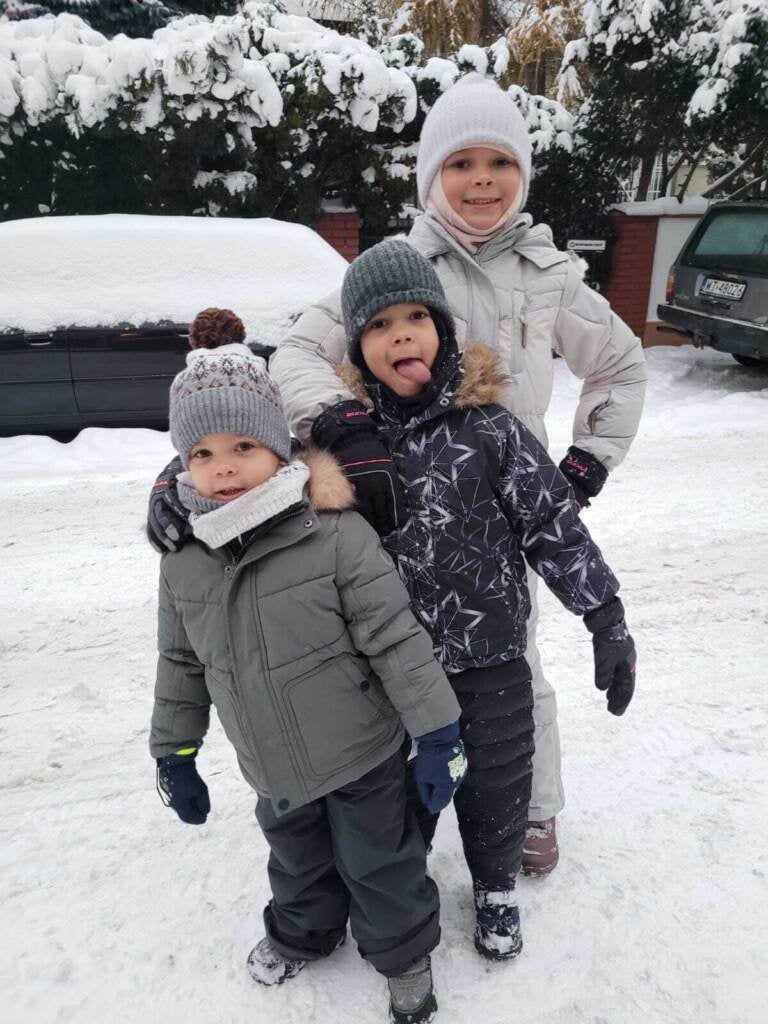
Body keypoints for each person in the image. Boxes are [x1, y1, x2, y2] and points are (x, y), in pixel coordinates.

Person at [265, 74, 649, 875]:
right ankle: (392, 803)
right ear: (431, 176)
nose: (482, 180)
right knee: (388, 657)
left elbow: (621, 365)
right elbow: (296, 356)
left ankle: (530, 809)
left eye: (500, 163)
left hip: (502, 506)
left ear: (523, 175)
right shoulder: (393, 267)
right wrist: (340, 425)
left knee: (515, 668)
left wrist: (584, 463)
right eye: (462, 163)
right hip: (397, 506)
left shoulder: (552, 277)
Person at [307, 238, 635, 961]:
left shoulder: (491, 428)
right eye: (378, 324)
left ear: (442, 331)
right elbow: (255, 484)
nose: (400, 333)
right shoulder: (346, 448)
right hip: (391, 671)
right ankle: (404, 895)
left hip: (490, 656)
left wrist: (604, 616)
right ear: (359, 352)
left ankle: (493, 888)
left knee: (496, 788)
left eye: (415, 316)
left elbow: (552, 523)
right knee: (399, 801)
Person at [149, 307, 466, 1024]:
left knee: (381, 863)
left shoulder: (333, 534)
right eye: (201, 453)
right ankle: (304, 931)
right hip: (272, 765)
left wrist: (439, 732)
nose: (223, 466)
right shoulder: (184, 561)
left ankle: (403, 951)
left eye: (241, 446)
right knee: (297, 863)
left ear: (277, 450)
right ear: (181, 465)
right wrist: (175, 751)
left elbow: (394, 636)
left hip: (360, 755)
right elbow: (180, 660)